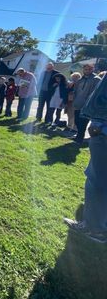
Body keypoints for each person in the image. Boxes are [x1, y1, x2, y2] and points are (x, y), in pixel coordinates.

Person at [64, 74, 107, 243]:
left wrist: (101, 128)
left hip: (103, 132)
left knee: (97, 180)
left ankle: (94, 228)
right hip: (101, 130)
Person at [72, 64, 101, 144]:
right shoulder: (80, 79)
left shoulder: (96, 79)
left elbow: (97, 93)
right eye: (85, 69)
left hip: (87, 106)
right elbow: (76, 91)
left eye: (89, 69)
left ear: (92, 69)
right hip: (78, 103)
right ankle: (78, 136)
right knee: (77, 121)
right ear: (83, 70)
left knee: (83, 123)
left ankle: (79, 139)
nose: (87, 71)